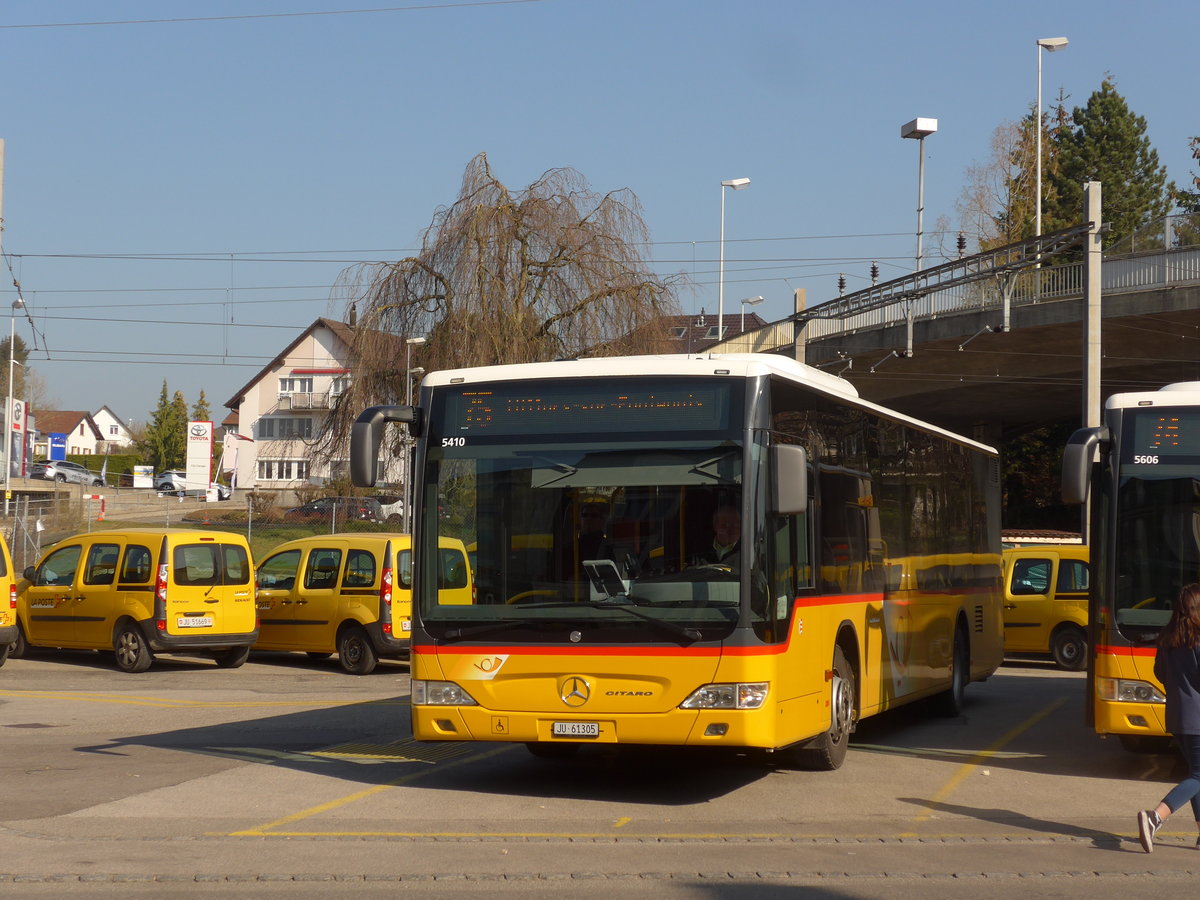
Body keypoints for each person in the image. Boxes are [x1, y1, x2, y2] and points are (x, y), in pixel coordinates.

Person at [1138, 583, 1200, 852]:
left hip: (1176, 716)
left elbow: (1159, 673)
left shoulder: (1168, 638)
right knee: (1199, 775)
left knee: (1196, 775)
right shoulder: (1198, 639)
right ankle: (1155, 817)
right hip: (1198, 718)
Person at [704, 501, 741, 570]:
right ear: (715, 526)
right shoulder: (701, 552)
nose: (730, 529)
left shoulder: (747, 554)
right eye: (724, 525)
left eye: (735, 524)